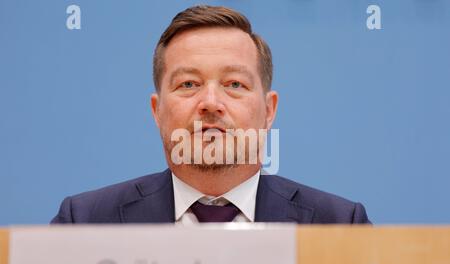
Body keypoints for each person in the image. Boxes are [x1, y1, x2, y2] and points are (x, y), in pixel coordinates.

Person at [51, 5, 371, 224]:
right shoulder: (85, 222)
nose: (211, 102)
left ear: (269, 110)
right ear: (157, 110)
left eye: (234, 83)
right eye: (189, 83)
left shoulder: (340, 225)